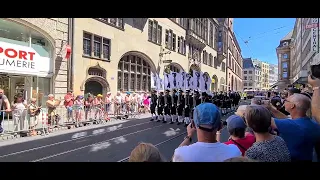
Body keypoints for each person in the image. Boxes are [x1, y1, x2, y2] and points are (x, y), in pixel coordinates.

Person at [172, 103, 241, 162]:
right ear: (220, 126)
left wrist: (189, 136)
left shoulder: (182, 154)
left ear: (193, 124)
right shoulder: (234, 152)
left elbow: (174, 158)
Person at [269, 93, 320, 161]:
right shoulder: (314, 125)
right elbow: (287, 119)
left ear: (292, 106)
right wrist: (270, 108)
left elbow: (263, 119)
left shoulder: (292, 125)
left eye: (286, 100)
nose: (284, 102)